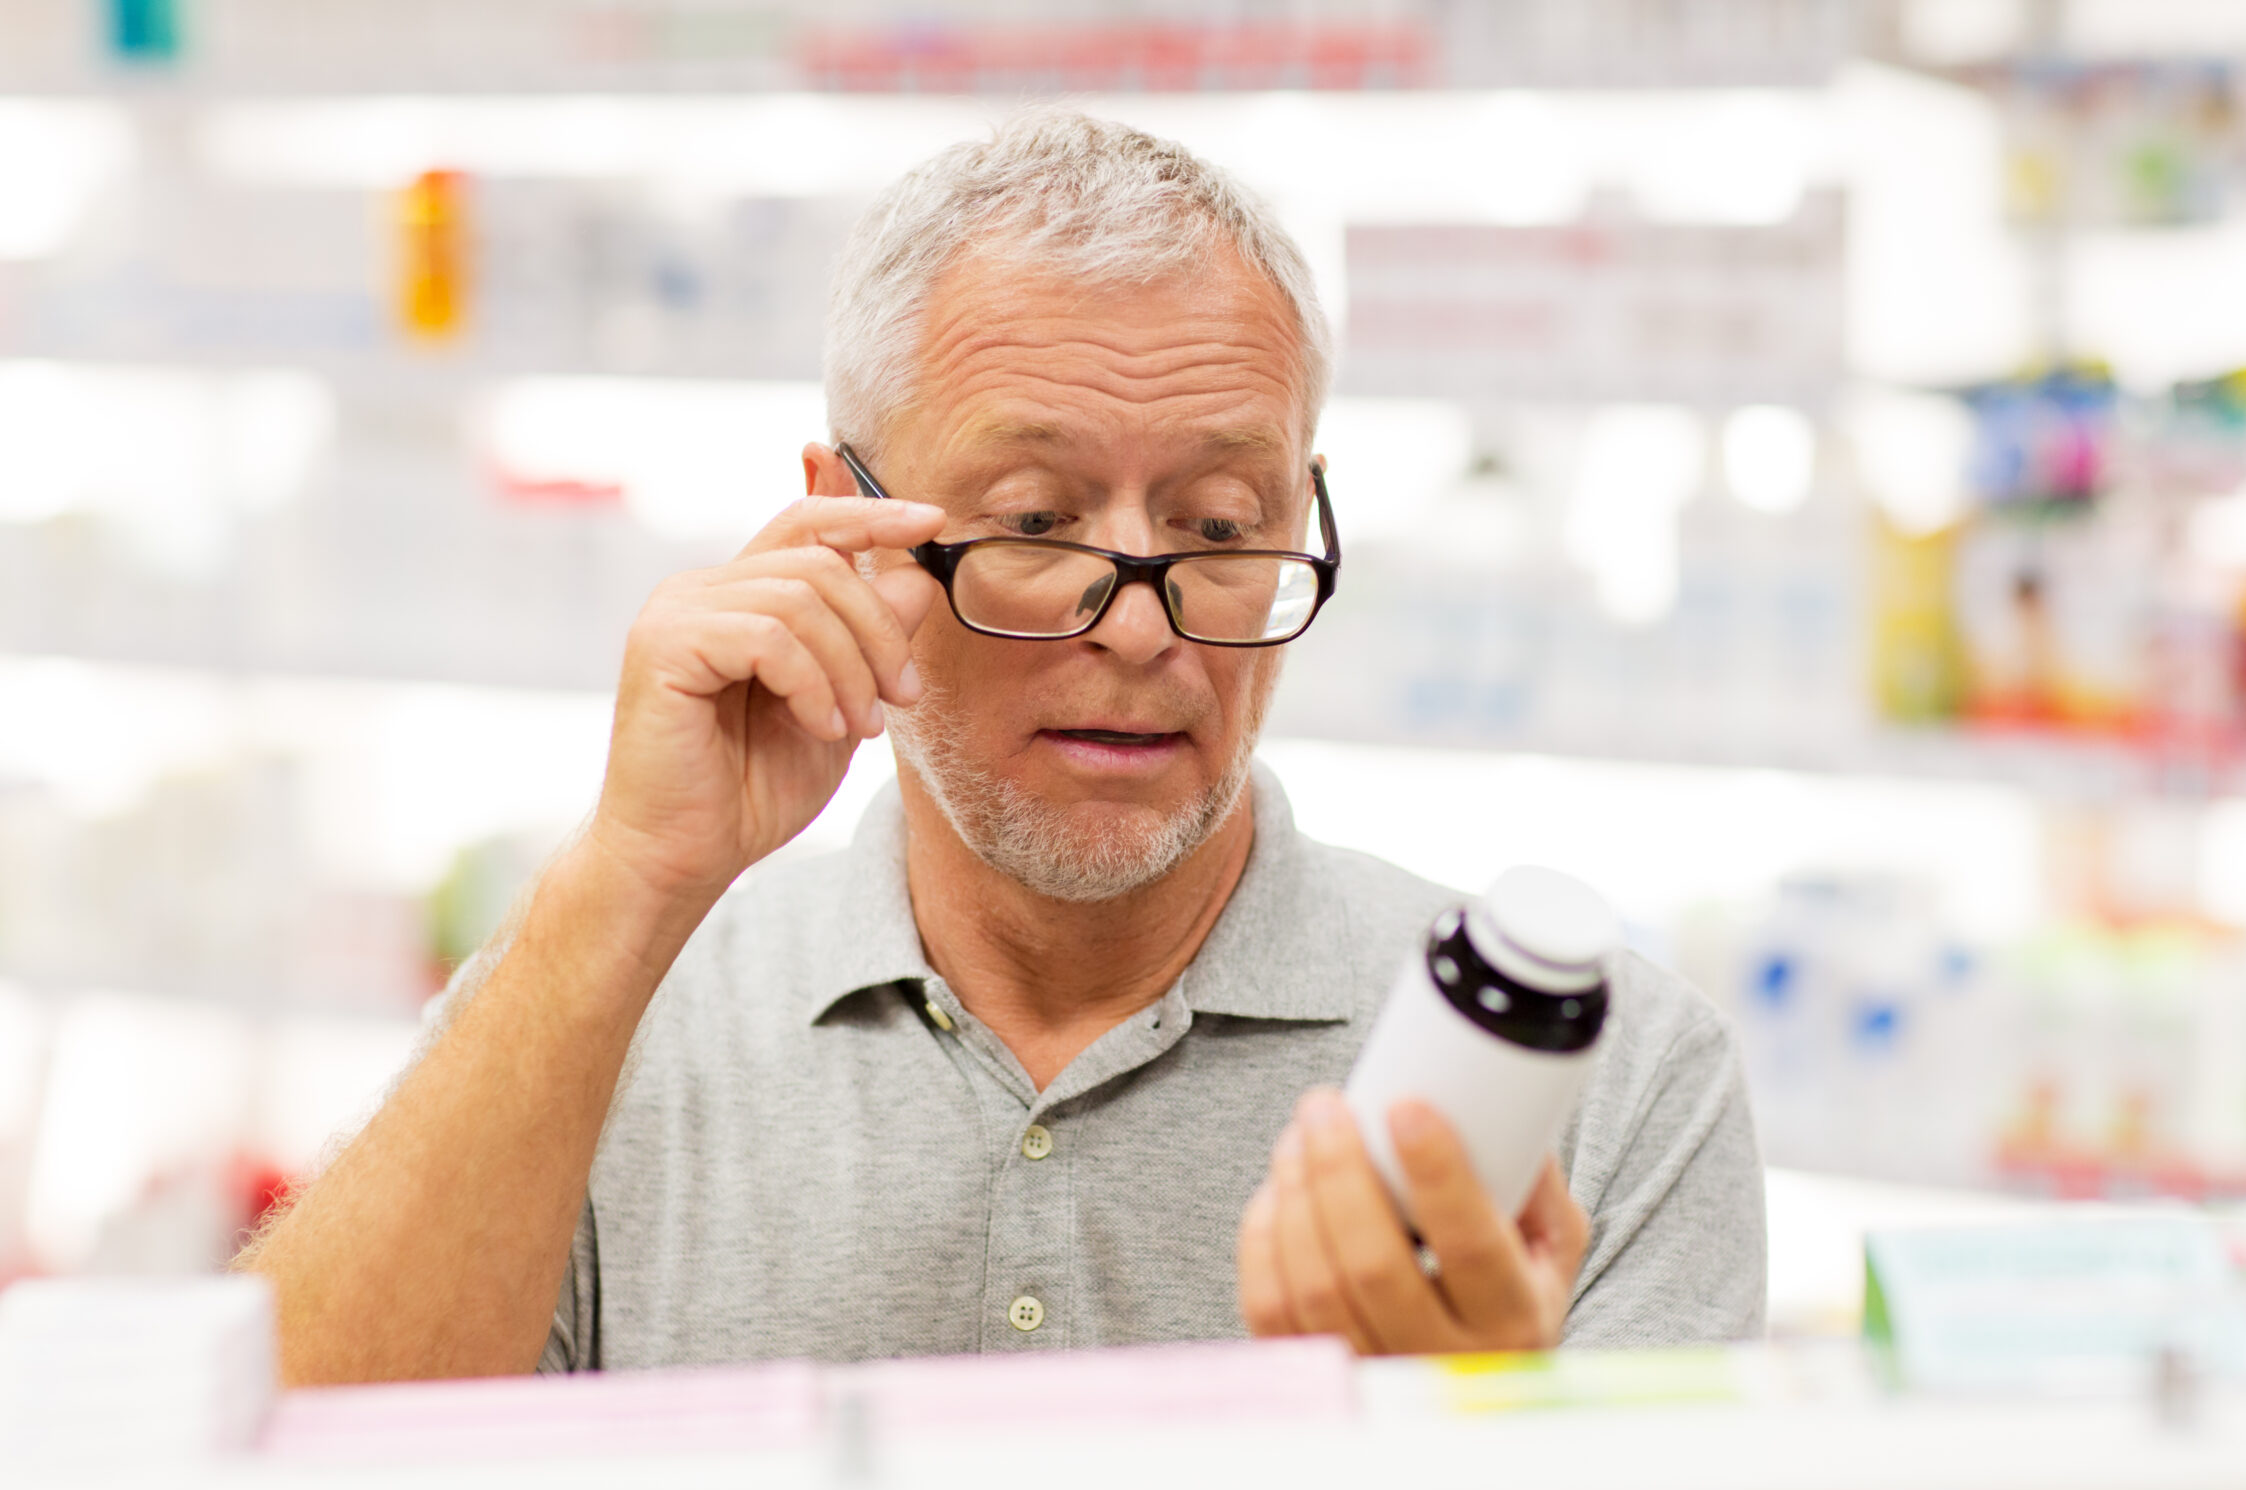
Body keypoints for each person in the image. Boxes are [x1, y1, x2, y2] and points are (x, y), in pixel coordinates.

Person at [240, 110, 1764, 1382]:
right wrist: (628, 881)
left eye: (1221, 529)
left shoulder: (1613, 1081)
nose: (1140, 629)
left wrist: (1464, 1461)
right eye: (1034, 522)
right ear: (847, 519)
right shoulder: (598, 1033)